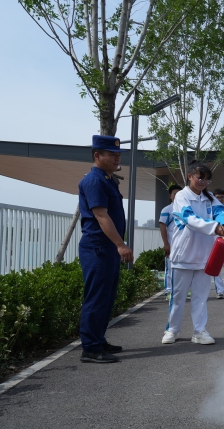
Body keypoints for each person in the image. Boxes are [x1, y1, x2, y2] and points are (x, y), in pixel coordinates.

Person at [77, 135, 132, 363]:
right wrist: (121, 244)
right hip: (98, 247)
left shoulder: (108, 179)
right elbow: (101, 216)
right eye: (112, 155)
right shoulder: (95, 181)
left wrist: (117, 245)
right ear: (97, 155)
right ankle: (90, 348)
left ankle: (98, 340)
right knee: (97, 298)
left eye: (118, 154)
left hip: (107, 249)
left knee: (106, 298)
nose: (117, 158)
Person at [162, 162, 224, 345]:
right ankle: (172, 330)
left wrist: (223, 223)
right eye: (200, 178)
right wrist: (215, 227)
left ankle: (199, 331)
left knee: (200, 298)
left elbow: (221, 211)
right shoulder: (181, 196)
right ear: (190, 176)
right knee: (178, 297)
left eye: (207, 180)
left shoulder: (209, 198)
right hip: (183, 256)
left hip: (204, 256)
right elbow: (189, 218)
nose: (203, 182)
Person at [159, 184, 181, 299]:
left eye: (179, 194)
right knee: (170, 268)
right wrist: (166, 244)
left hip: (184, 245)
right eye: (174, 194)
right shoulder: (167, 210)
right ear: (170, 196)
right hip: (171, 244)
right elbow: (162, 226)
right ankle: (169, 291)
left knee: (184, 269)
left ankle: (182, 291)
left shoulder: (187, 209)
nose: (177, 196)